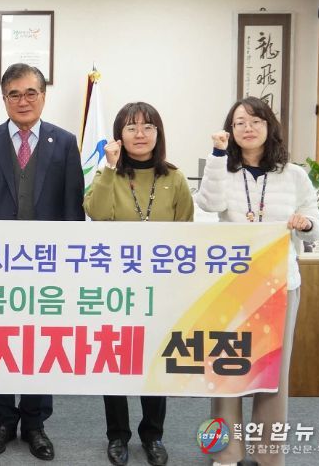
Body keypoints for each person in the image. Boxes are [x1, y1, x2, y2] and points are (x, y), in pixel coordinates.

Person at [0, 63, 85, 461]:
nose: (23, 100)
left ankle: (34, 423)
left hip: (47, 264)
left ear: (43, 95)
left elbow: (73, 207)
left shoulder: (63, 142)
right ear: (4, 99)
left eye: (31, 92)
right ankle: (2, 421)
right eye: (14, 94)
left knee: (40, 342)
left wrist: (70, 263)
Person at [196, 97, 319, 466]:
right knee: (226, 370)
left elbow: (315, 221)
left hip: (280, 284)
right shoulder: (223, 168)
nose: (247, 128)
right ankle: (225, 454)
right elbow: (208, 203)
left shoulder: (294, 174)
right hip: (232, 286)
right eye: (239, 123)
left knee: (274, 374)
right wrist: (217, 155)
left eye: (255, 121)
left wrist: (307, 224)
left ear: (269, 126)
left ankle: (269, 456)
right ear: (231, 131)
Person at [84, 102, 192, 466]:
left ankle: (152, 435)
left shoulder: (174, 178)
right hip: (115, 286)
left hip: (160, 287)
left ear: (158, 134)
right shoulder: (109, 174)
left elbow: (185, 233)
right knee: (115, 361)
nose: (140, 134)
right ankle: (117, 435)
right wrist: (109, 167)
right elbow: (97, 212)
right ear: (119, 136)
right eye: (131, 128)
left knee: (154, 362)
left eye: (148, 127)